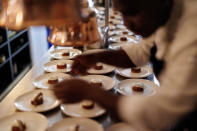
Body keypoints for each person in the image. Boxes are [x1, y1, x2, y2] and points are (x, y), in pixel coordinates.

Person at [53, 0, 197, 130]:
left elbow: (158, 114)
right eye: (122, 15)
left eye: (132, 13)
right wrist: (97, 57)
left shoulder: (192, 35)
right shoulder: (165, 13)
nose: (127, 24)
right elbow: (141, 51)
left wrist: (89, 92)